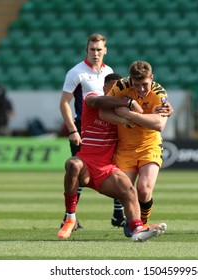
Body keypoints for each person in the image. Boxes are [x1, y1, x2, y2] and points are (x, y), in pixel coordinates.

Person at [57, 73, 167, 241]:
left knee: (129, 190)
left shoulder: (123, 113)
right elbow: (96, 102)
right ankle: (70, 217)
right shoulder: (94, 98)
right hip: (86, 162)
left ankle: (138, 229)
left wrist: (167, 109)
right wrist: (129, 102)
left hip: (106, 169)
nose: (115, 92)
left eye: (119, 89)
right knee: (73, 163)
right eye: (112, 88)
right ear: (104, 88)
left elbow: (148, 117)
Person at [59, 33, 126, 228]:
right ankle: (69, 217)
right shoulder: (76, 72)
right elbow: (64, 103)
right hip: (84, 128)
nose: (95, 53)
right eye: (92, 49)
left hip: (108, 127)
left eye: (99, 49)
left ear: (105, 50)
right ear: (86, 50)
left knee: (116, 167)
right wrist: (72, 130)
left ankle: (118, 215)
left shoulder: (109, 72)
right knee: (79, 173)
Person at [105, 61, 172, 233]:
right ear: (130, 80)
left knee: (143, 189)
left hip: (149, 145)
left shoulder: (159, 93)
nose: (141, 89)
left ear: (152, 78)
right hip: (125, 148)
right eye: (137, 85)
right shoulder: (121, 87)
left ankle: (141, 224)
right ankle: (135, 223)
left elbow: (159, 124)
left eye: (145, 85)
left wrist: (128, 114)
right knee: (124, 191)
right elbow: (104, 111)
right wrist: (128, 119)